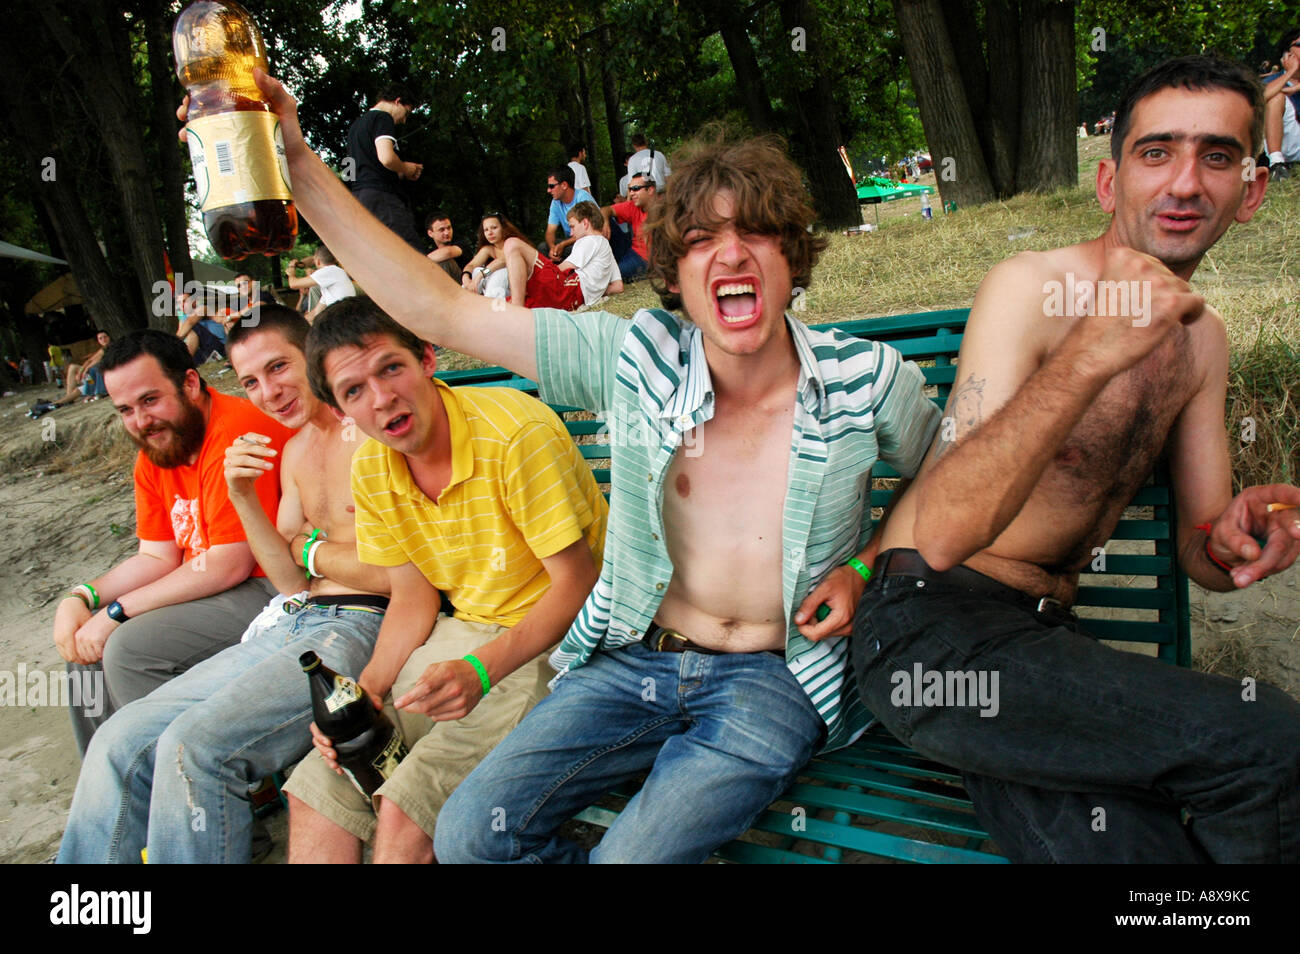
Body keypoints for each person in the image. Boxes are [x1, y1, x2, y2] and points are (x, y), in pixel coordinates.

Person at [196, 75, 941, 863]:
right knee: (468, 835)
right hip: (632, 659)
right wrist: (299, 164)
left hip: (775, 680)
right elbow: (442, 311)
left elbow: (942, 472)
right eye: (702, 242)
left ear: (792, 254)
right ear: (676, 276)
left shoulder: (867, 379)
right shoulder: (636, 358)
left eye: (756, 233)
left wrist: (865, 562)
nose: (731, 253)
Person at [850, 54, 1300, 863]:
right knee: (1271, 741)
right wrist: (1090, 352)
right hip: (928, 632)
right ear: (1108, 183)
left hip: (1039, 651)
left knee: (1135, 854)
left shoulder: (1202, 342)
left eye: (1219, 156)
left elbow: (1203, 551)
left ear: (1251, 193)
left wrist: (1235, 534)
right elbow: (945, 532)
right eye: (1156, 152)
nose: (1186, 182)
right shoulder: (1031, 287)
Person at [56, 305, 391, 864]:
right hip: (300, 618)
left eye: (279, 367)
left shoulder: (372, 431)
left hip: (360, 625)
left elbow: (401, 573)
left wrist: (309, 548)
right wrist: (243, 497)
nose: (269, 392)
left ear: (312, 353)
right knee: (121, 741)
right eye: (251, 381)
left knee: (195, 746)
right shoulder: (297, 449)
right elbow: (291, 582)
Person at [281, 300, 606, 863]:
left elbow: (579, 582)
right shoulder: (372, 469)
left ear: (427, 358)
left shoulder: (513, 434)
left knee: (406, 809)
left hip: (566, 640)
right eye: (353, 390)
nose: (381, 398)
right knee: (319, 785)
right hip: (463, 632)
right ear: (338, 410)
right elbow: (412, 595)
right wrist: (371, 690)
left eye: (390, 368)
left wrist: (482, 668)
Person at [51, 330, 293, 755]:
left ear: (190, 383)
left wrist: (118, 612)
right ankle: (115, 790)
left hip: (269, 585)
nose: (141, 421)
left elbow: (229, 563)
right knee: (83, 649)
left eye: (150, 400)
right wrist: (83, 596)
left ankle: (185, 788)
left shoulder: (235, 431)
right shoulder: (157, 449)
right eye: (126, 410)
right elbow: (157, 555)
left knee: (127, 647)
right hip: (208, 584)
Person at [346, 84, 424, 249]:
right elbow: (387, 158)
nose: (404, 120)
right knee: (411, 252)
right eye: (407, 113)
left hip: (359, 198)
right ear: (398, 101)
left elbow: (351, 169)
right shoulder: (382, 118)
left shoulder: (355, 128)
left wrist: (400, 174)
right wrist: (406, 167)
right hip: (383, 198)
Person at [459, 212, 564, 308]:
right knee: (476, 271)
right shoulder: (488, 249)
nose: (490, 232)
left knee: (499, 272)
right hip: (496, 286)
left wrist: (480, 275)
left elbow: (501, 262)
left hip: (517, 289)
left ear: (503, 228)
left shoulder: (513, 245)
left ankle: (491, 309)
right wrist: (466, 278)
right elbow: (471, 265)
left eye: (494, 228)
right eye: (486, 230)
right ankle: (466, 305)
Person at [556, 201, 622, 305]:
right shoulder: (605, 246)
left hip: (572, 291)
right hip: (580, 296)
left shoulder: (589, 240)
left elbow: (564, 268)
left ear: (585, 223)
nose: (571, 233)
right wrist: (597, 292)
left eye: (572, 226)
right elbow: (618, 286)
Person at [601, 172, 656, 281]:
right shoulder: (633, 206)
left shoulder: (665, 210)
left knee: (611, 276)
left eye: (636, 188)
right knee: (601, 220)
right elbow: (605, 210)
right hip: (631, 248)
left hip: (646, 259)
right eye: (629, 189)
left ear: (650, 190)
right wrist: (605, 222)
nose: (631, 193)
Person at [1263, 29, 1300, 180]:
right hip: (1289, 144)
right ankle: (1277, 165)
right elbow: (1258, 98)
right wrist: (1289, 73)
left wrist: (1296, 88)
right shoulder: (1274, 81)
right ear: (1287, 55)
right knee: (1276, 97)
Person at [287, 246, 356, 321]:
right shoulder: (333, 277)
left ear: (318, 262)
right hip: (344, 317)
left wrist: (291, 270)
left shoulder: (329, 271)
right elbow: (314, 313)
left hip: (342, 319)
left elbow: (293, 284)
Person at [543, 165, 595, 262]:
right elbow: (550, 231)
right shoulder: (555, 202)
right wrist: (552, 248)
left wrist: (563, 244)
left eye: (551, 186)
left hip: (588, 241)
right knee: (543, 248)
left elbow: (588, 231)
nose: (548, 190)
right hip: (571, 242)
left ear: (564, 185)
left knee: (578, 249)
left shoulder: (583, 198)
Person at [55, 330, 111, 405]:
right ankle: (67, 397)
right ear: (98, 341)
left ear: (109, 337)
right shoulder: (102, 349)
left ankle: (62, 401)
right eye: (100, 338)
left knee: (80, 387)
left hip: (98, 379)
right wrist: (81, 372)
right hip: (93, 377)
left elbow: (93, 363)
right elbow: (89, 361)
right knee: (73, 368)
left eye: (105, 337)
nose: (103, 340)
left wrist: (83, 371)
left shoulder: (109, 348)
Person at [425, 210, 463, 281]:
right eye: (441, 230)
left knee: (444, 261)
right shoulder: (429, 251)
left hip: (464, 285)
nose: (447, 232)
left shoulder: (460, 243)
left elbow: (448, 252)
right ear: (430, 233)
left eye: (449, 228)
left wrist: (420, 262)